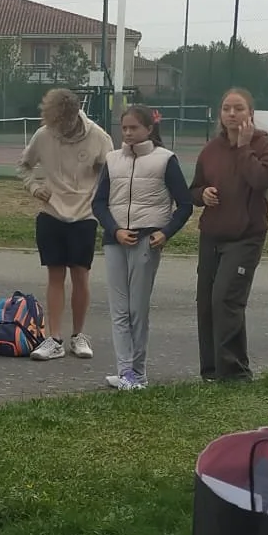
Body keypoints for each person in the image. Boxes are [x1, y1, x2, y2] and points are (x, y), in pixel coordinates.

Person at [93, 105, 193, 391]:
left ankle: (138, 372)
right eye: (124, 128)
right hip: (116, 241)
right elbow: (98, 202)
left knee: (137, 310)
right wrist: (115, 229)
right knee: (119, 309)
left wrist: (165, 232)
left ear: (149, 129)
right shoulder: (112, 160)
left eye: (134, 128)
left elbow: (184, 204)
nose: (128, 134)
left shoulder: (165, 160)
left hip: (147, 241)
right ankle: (125, 371)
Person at [191, 89, 268, 382]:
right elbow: (194, 190)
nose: (232, 114)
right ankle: (211, 371)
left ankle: (234, 373)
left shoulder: (265, 146)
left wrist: (244, 148)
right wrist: (202, 194)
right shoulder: (210, 149)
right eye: (226, 108)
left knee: (225, 300)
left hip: (245, 236)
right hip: (212, 235)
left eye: (238, 108)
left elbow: (260, 180)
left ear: (250, 114)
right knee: (206, 302)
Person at [16, 87, 111, 361]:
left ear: (73, 116)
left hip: (84, 216)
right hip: (51, 215)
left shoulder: (98, 137)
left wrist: (99, 192)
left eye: (62, 124)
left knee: (81, 275)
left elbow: (110, 172)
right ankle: (54, 338)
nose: (58, 130)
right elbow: (23, 166)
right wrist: (34, 187)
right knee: (54, 275)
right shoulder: (44, 134)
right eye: (53, 124)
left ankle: (78, 336)